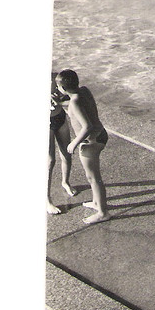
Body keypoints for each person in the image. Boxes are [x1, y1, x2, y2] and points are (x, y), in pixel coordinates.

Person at [55, 69, 110, 225]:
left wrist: (74, 143)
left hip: (90, 142)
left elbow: (87, 126)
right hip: (101, 134)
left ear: (63, 89)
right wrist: (59, 102)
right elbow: (79, 106)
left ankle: (103, 212)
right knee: (91, 176)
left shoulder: (74, 102)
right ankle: (96, 201)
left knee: (94, 178)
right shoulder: (83, 91)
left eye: (57, 86)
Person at [48, 72, 76, 215]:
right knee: (50, 161)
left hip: (59, 116)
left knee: (67, 153)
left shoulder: (54, 77)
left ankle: (65, 182)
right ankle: (47, 200)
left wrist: (59, 98)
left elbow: (69, 94)